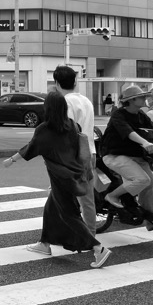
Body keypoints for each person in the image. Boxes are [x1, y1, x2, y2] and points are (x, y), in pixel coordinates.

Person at [4, 91, 111, 268]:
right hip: (74, 174)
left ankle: (98, 248)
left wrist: (11, 160)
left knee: (69, 215)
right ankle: (44, 243)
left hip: (60, 178)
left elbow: (31, 148)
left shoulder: (45, 129)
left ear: (47, 108)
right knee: (51, 209)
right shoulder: (73, 126)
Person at [99, 85, 153, 217]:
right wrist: (144, 142)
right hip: (115, 155)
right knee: (142, 180)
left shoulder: (140, 114)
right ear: (131, 100)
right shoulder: (118, 115)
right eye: (141, 97)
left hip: (136, 156)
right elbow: (128, 132)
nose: (144, 99)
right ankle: (112, 196)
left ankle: (148, 217)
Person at [52, 65, 100, 234]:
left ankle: (65, 232)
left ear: (57, 83)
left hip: (72, 155)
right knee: (87, 199)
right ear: (75, 82)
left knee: (61, 196)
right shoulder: (86, 101)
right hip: (90, 152)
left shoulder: (64, 103)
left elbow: (67, 132)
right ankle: (90, 234)